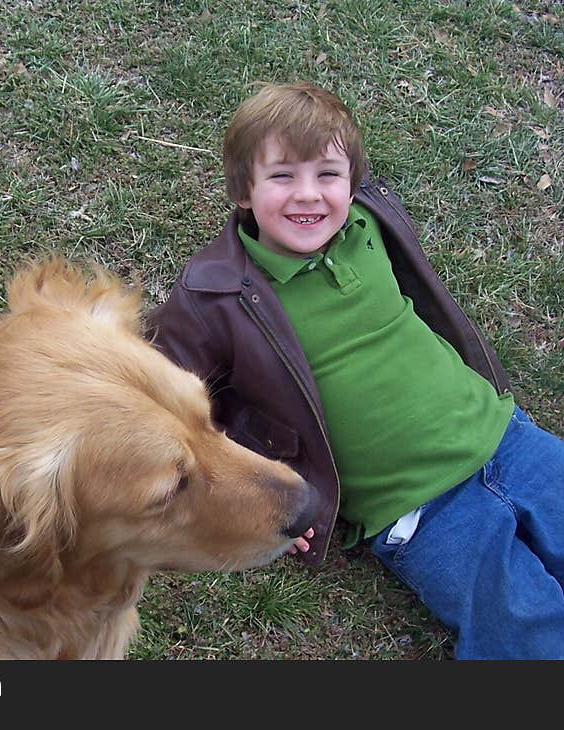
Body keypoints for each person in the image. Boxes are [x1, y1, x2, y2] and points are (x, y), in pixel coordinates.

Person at [147, 81, 564, 659]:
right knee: (525, 627)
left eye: (328, 175)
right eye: (282, 176)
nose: (308, 196)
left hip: (507, 438)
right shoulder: (214, 295)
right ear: (243, 188)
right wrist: (274, 489)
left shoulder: (369, 221)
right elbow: (170, 404)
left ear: (354, 183)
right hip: (421, 511)